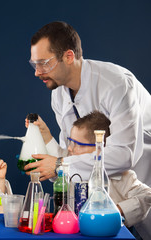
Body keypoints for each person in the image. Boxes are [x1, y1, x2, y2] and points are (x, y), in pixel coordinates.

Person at [25, 22, 151, 239]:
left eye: (44, 63)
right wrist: (48, 139)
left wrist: (59, 165)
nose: (37, 72)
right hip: (101, 193)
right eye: (34, 64)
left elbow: (124, 155)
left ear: (68, 56)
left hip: (141, 170)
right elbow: (72, 156)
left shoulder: (116, 84)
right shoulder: (59, 93)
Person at [40, 111, 151, 231]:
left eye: (77, 143)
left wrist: (117, 210)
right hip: (74, 231)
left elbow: (146, 195)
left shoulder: (120, 176)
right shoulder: (72, 163)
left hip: (105, 232)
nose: (70, 148)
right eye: (70, 141)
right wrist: (46, 135)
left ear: (98, 147)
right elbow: (59, 159)